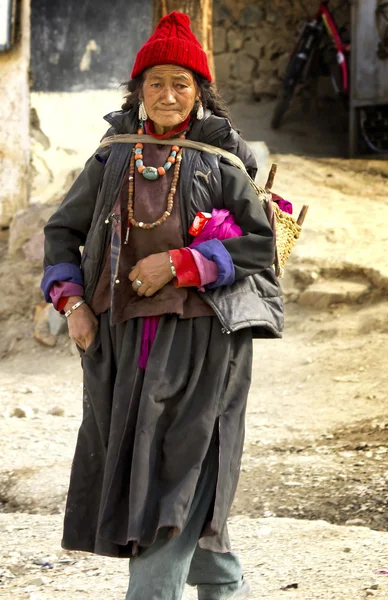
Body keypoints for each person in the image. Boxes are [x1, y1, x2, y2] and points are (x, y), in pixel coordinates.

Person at [41, 11, 283, 600]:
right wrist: (72, 302)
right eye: (156, 82)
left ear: (199, 91)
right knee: (144, 469)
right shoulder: (114, 154)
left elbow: (261, 244)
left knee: (181, 465)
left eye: (182, 82)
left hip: (204, 340)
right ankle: (225, 587)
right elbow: (61, 229)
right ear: (137, 89)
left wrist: (179, 265)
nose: (168, 95)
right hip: (122, 342)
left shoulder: (225, 156)